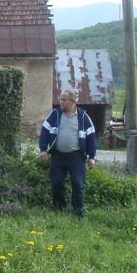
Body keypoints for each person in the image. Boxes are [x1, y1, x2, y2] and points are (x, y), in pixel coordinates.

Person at [38, 89, 96, 217]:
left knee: (77, 184)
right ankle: (60, 209)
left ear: (72, 101)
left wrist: (91, 157)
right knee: (57, 183)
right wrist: (43, 149)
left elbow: (91, 137)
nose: (61, 102)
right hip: (58, 155)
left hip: (76, 156)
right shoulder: (55, 114)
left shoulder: (83, 117)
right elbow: (45, 131)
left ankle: (78, 212)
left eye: (64, 99)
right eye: (60, 99)